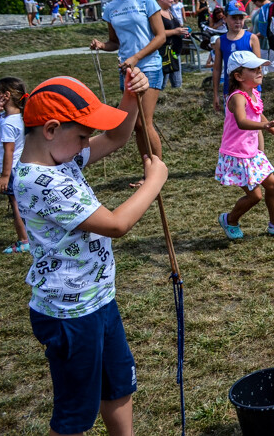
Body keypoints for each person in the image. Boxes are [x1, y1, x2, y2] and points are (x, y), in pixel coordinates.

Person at [15, 70, 167, 436]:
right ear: (51, 129)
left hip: (98, 299)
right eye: (82, 135)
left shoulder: (61, 158)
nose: (87, 143)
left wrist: (130, 99)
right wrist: (154, 181)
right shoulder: (40, 181)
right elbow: (115, 224)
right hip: (69, 316)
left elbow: (116, 136)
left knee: (118, 387)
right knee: (75, 416)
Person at [90, 0, 166, 173]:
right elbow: (115, 42)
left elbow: (160, 37)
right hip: (127, 71)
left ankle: (157, 170)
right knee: (136, 126)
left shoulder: (147, 1)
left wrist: (136, 57)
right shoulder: (110, 9)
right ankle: (147, 170)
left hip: (149, 66)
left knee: (144, 122)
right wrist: (101, 45)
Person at [216, 50, 274, 240]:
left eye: (260, 68)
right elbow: (242, 121)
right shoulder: (237, 97)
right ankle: (230, 220)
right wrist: (264, 126)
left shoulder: (253, 93)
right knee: (255, 197)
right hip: (238, 155)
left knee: (273, 186)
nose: (260, 72)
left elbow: (258, 113)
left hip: (252, 153)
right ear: (238, 76)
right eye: (254, 69)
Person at [0, 77, 29, 254]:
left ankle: (24, 241)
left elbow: (9, 151)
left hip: (12, 169)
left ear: (6, 95)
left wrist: (4, 176)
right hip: (21, 166)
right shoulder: (16, 116)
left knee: (15, 205)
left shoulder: (7, 123)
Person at [213, 0, 261, 110]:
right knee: (234, 124)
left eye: (241, 18)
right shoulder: (220, 41)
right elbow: (217, 69)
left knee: (253, 121)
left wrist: (256, 88)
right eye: (234, 18)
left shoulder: (252, 38)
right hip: (230, 90)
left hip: (251, 90)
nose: (238, 21)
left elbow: (259, 67)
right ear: (225, 18)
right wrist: (215, 94)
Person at [156, 0, 188, 89]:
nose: (173, 0)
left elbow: (176, 27)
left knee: (177, 84)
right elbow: (156, 34)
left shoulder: (169, 11)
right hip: (163, 53)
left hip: (174, 52)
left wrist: (182, 32)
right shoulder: (156, 13)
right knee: (161, 85)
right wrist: (175, 31)